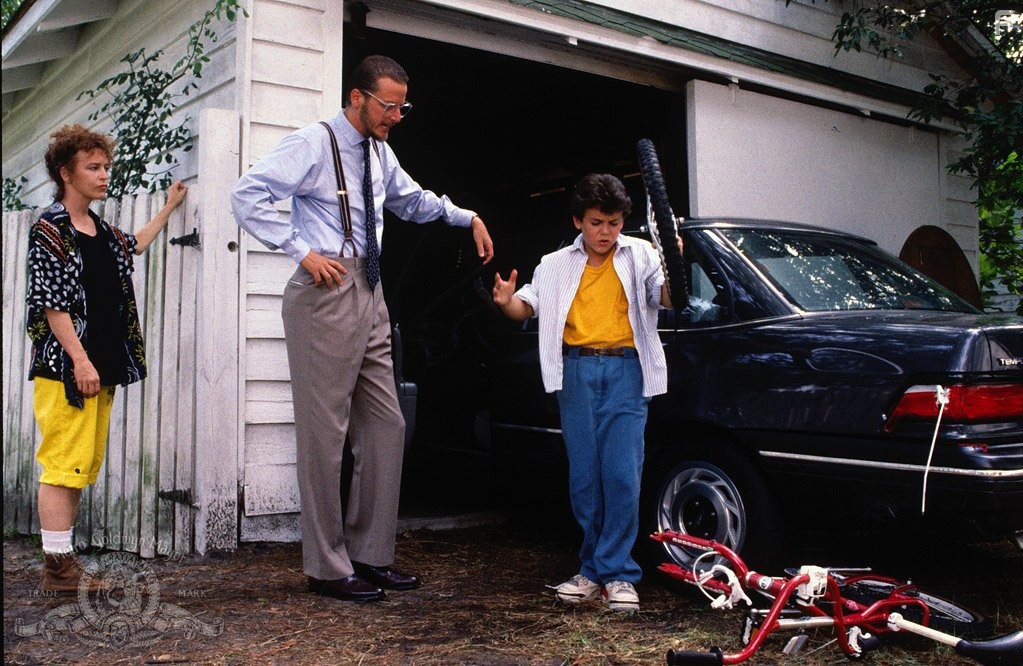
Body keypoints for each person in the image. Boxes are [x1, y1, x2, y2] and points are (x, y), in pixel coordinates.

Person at [231, 55, 494, 603]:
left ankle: (369, 554)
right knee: (325, 435)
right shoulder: (312, 142)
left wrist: (464, 216)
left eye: (403, 106)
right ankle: (326, 567)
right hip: (325, 290)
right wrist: (302, 252)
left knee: (385, 425)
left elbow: (410, 200)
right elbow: (246, 196)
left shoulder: (380, 151)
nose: (397, 115)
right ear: (358, 97)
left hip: (370, 289)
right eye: (388, 105)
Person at [492, 173, 673, 612]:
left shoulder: (642, 255)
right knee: (585, 478)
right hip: (575, 371)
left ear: (622, 222)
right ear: (578, 221)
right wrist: (505, 302)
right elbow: (526, 307)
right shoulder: (554, 265)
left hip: (627, 370)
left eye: (613, 223)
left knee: (623, 475)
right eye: (595, 222)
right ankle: (593, 569)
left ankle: (619, 572)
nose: (605, 232)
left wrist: (676, 269)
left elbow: (664, 298)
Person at [27, 123, 187, 593]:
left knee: (79, 465)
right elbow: (52, 305)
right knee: (62, 463)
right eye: (92, 167)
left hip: (101, 364)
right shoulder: (50, 230)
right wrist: (79, 360)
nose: (103, 175)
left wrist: (170, 207)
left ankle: (62, 564)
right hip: (67, 368)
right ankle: (58, 571)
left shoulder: (98, 230)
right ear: (66, 172)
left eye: (105, 167)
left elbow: (133, 245)